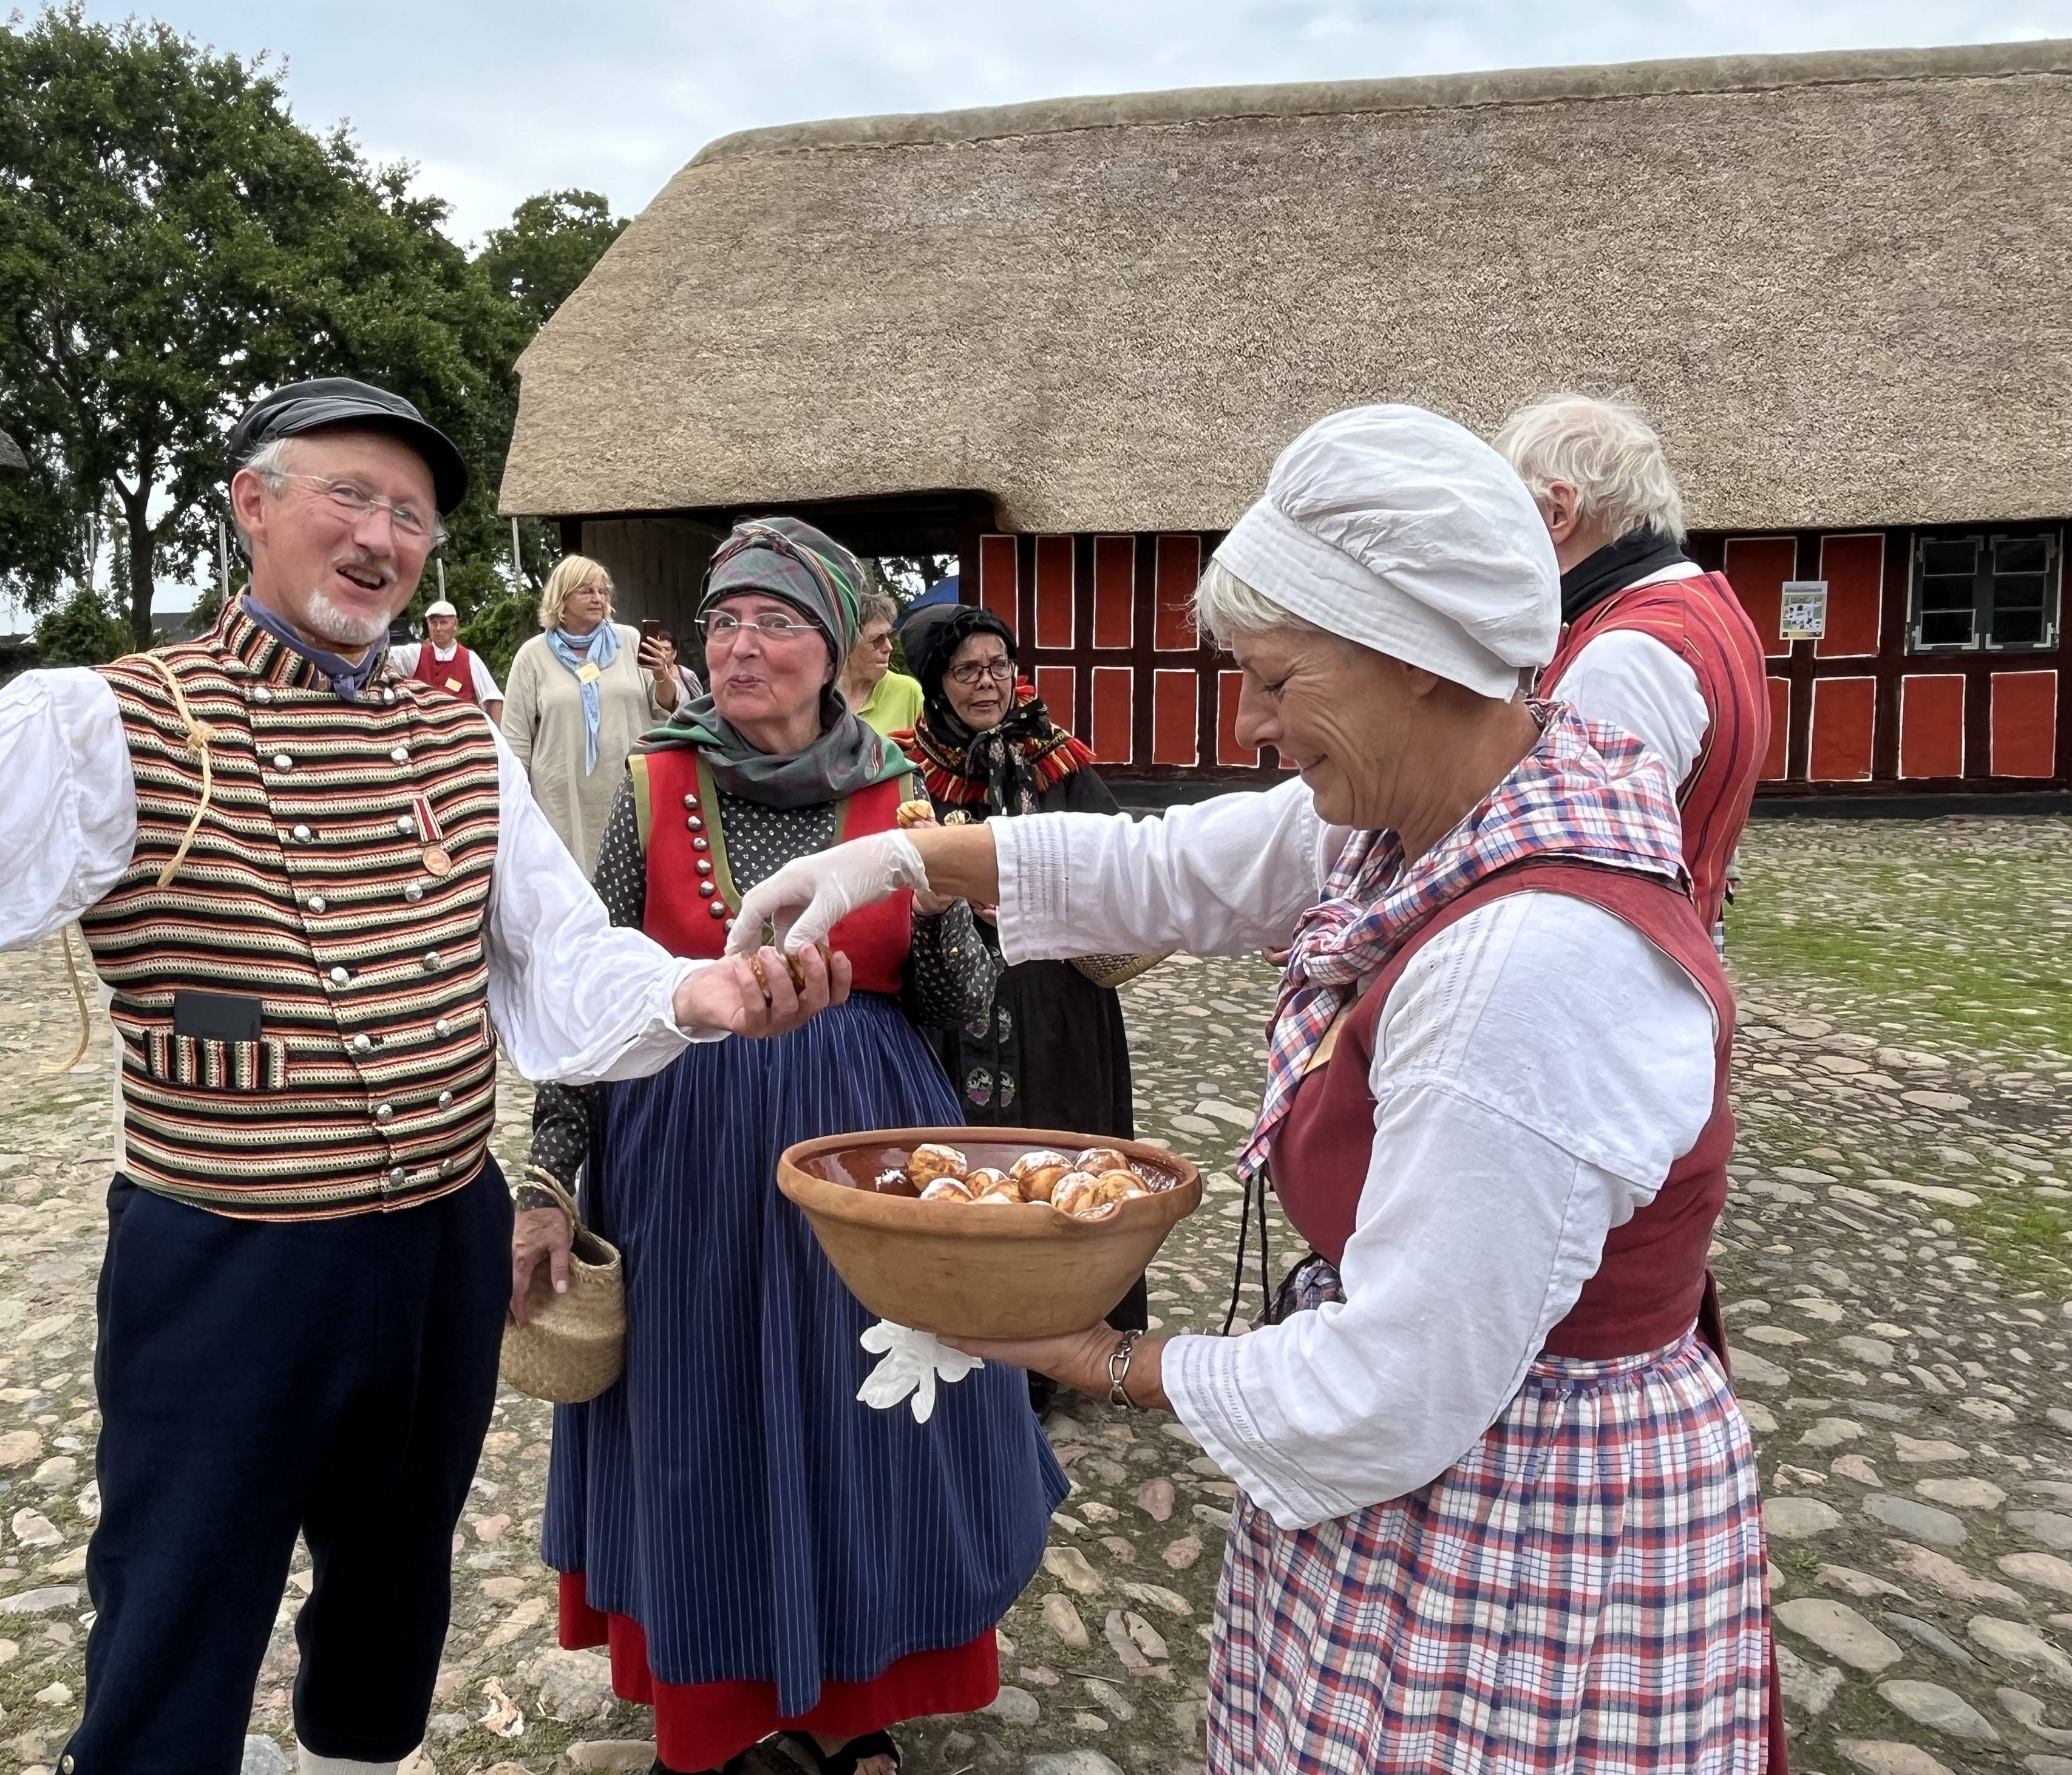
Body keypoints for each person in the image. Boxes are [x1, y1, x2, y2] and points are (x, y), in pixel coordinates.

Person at [0, 370, 851, 1775]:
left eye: (411, 514)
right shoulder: (114, 722)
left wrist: (697, 989)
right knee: (178, 1599)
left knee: (393, 1591)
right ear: (252, 505)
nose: (383, 535)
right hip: (223, 1260)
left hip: (438, 1243)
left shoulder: (459, 744)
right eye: (348, 494)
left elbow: (558, 957)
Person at [730, 406, 1782, 1775]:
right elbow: (1178, 864)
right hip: (1452, 1459)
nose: (1251, 722)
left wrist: (1107, 1358)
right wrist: (904, 866)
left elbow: (1396, 1388)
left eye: (1279, 681)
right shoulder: (1452, 793)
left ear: (1420, 664)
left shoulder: (1528, 967)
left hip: (1529, 1510)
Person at [517, 518, 1062, 1775]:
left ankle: (854, 1703)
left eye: (776, 622)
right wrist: (549, 1179)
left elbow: (966, 1013)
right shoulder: (652, 786)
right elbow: (585, 995)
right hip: (685, 1163)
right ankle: (714, 1708)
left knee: (860, 1424)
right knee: (703, 1420)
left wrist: (943, 920)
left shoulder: (898, 797)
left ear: (835, 652)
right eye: (723, 622)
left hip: (863, 1163)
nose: (742, 644)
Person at [895, 603, 1144, 1391]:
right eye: (967, 670)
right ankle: (968, 1347)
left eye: (1000, 666)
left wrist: (1048, 902)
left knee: (1062, 1165)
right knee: (962, 1166)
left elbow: (1118, 868)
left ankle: (1063, 1354)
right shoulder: (905, 770)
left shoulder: (1058, 762)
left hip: (1054, 1004)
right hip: (953, 1011)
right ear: (934, 681)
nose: (990, 684)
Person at [1493, 392, 1769, 931]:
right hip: (1677, 933)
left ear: (1557, 511)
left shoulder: (1625, 653)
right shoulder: (1699, 607)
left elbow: (1581, 872)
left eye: (1508, 516)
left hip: (1635, 950)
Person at [502, 554, 680, 873]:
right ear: (562, 598)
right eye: (587, 591)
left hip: (625, 782)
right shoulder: (533, 656)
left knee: (632, 877)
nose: (598, 598)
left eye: (603, 592)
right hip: (561, 793)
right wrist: (517, 803)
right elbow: (515, 739)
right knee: (569, 882)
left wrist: (663, 676)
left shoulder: (630, 641)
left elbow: (665, 708)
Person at [389, 596, 502, 722]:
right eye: (434, 623)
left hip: (463, 730)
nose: (438, 628)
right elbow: (382, 656)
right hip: (425, 730)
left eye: (444, 623)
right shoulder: (415, 654)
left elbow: (493, 698)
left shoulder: (470, 659)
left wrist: (498, 737)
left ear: (455, 625)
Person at [841, 586, 922, 733]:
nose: (889, 647)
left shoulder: (907, 692)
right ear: (847, 642)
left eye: (888, 636)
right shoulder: (819, 696)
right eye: (877, 639)